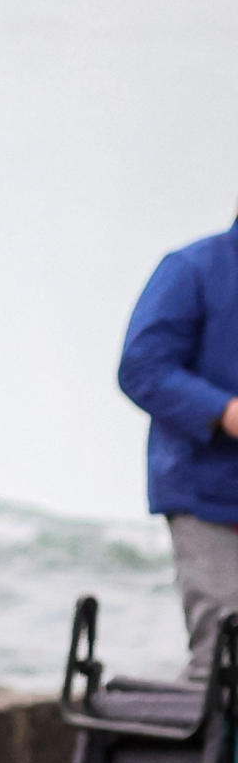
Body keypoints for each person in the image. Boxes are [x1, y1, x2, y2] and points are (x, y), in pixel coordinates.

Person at [117, 207, 238, 690]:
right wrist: (225, 411)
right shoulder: (192, 268)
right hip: (205, 496)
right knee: (226, 658)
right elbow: (141, 366)